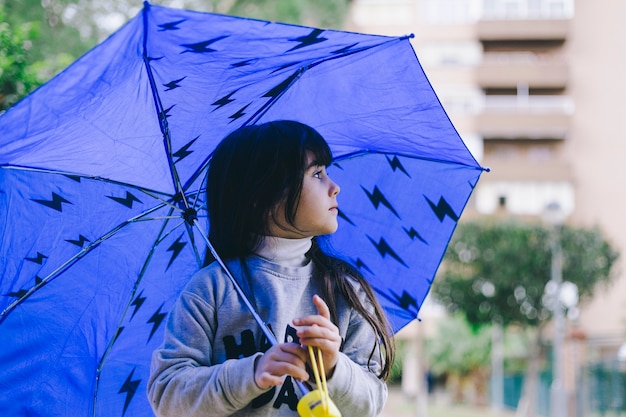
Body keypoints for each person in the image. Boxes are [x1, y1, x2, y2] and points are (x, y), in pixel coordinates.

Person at [147, 120, 395, 417]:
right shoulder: (211, 290)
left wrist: (333, 367)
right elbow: (167, 394)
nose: (334, 187)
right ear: (261, 198)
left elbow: (371, 403)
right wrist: (250, 374)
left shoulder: (344, 291)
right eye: (317, 174)